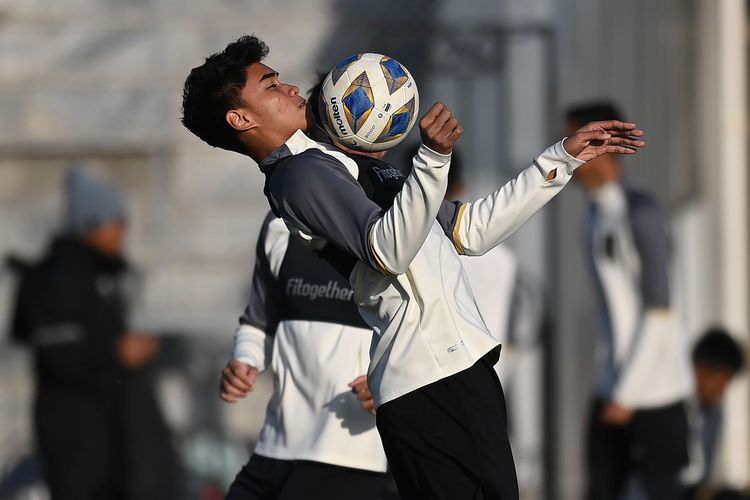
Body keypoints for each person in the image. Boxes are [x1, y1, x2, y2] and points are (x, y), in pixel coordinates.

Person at [181, 35, 644, 499]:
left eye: (279, 78)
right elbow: (387, 250)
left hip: (458, 369)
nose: (289, 88)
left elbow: (469, 230)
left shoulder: (344, 163)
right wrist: (433, 158)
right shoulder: (297, 176)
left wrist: (561, 158)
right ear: (241, 118)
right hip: (425, 380)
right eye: (270, 86)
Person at [219, 79, 393, 500]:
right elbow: (258, 318)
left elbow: (429, 327)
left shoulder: (389, 231)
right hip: (277, 446)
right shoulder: (280, 225)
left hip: (353, 456)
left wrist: (389, 381)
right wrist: (244, 361)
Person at [8, 168, 178, 500]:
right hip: (76, 434)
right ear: (92, 223)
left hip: (111, 430)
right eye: (115, 222)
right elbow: (57, 351)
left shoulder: (106, 273)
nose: (122, 232)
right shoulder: (58, 277)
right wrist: (116, 352)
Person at [565, 101, 692, 500]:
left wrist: (628, 393)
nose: (566, 150)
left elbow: (661, 311)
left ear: (602, 146)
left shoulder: (640, 211)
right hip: (612, 387)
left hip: (655, 395)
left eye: (575, 141)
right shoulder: (592, 215)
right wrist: (613, 388)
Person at [685, 327, 745, 497]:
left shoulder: (714, 412)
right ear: (699, 369)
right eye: (721, 382)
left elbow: (706, 477)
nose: (722, 392)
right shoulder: (667, 404)